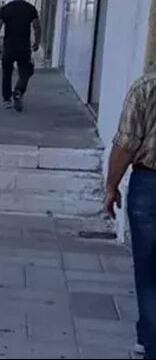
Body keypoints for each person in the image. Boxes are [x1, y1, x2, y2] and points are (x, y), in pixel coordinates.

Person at [105, 67, 156, 360]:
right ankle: (146, 334)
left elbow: (126, 142)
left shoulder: (145, 87)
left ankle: (150, 341)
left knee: (149, 272)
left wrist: (111, 186)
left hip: (150, 184)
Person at [0, 0, 41, 111]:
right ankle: (19, 90)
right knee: (26, 71)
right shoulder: (30, 9)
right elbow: (37, 27)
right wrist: (37, 42)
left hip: (9, 47)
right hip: (24, 47)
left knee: (7, 73)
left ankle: (6, 100)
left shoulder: (5, 9)